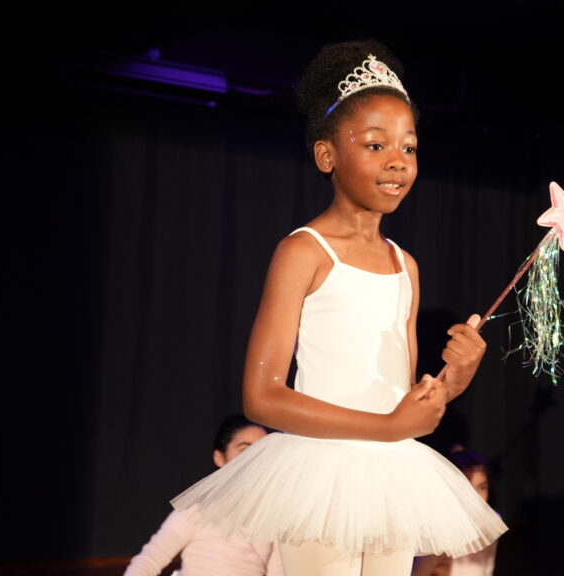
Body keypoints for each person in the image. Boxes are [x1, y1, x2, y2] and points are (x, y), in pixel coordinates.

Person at [168, 39, 507, 576]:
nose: (397, 160)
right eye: (375, 145)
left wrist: (456, 378)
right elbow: (261, 396)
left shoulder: (405, 265)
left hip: (392, 471)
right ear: (327, 155)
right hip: (322, 475)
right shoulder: (303, 251)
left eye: (410, 147)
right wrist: (390, 426)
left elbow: (412, 400)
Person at [123, 413, 283, 576]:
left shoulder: (271, 516)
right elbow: (149, 560)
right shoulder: (198, 510)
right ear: (220, 458)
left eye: (261, 451)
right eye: (244, 450)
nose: (253, 459)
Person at [411, 449, 500, 576]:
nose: (476, 497)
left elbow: (487, 568)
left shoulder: (492, 521)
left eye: (482, 487)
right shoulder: (439, 527)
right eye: (467, 487)